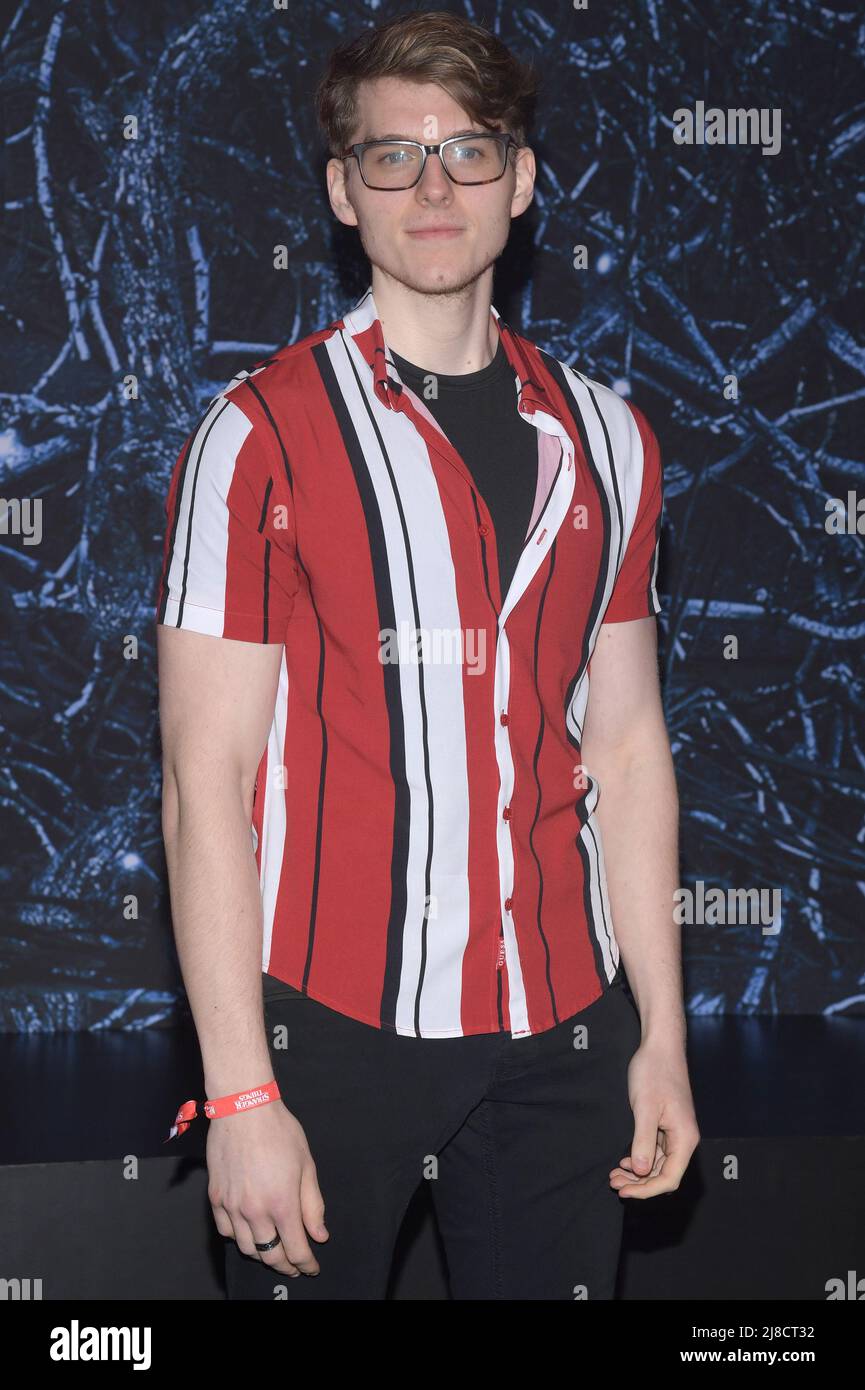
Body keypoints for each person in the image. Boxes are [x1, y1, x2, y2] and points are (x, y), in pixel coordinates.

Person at [155, 8, 699, 1300]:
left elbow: (624, 747)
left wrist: (660, 1035)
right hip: (330, 1033)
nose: (434, 185)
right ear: (344, 193)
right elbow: (203, 778)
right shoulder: (257, 438)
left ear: (521, 181)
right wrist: (240, 1091)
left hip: (565, 1034)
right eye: (393, 157)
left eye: (469, 150)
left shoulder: (612, 441)